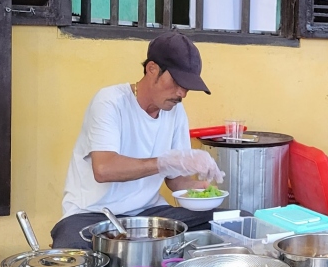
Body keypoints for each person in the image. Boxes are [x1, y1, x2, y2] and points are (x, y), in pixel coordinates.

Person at [52, 33, 225, 251]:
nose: (182, 93)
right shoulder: (110, 102)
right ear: (152, 69)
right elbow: (104, 168)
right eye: (177, 82)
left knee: (230, 222)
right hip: (93, 214)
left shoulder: (175, 112)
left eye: (187, 87)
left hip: (149, 215)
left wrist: (197, 189)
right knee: (75, 254)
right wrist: (163, 163)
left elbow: (175, 180)